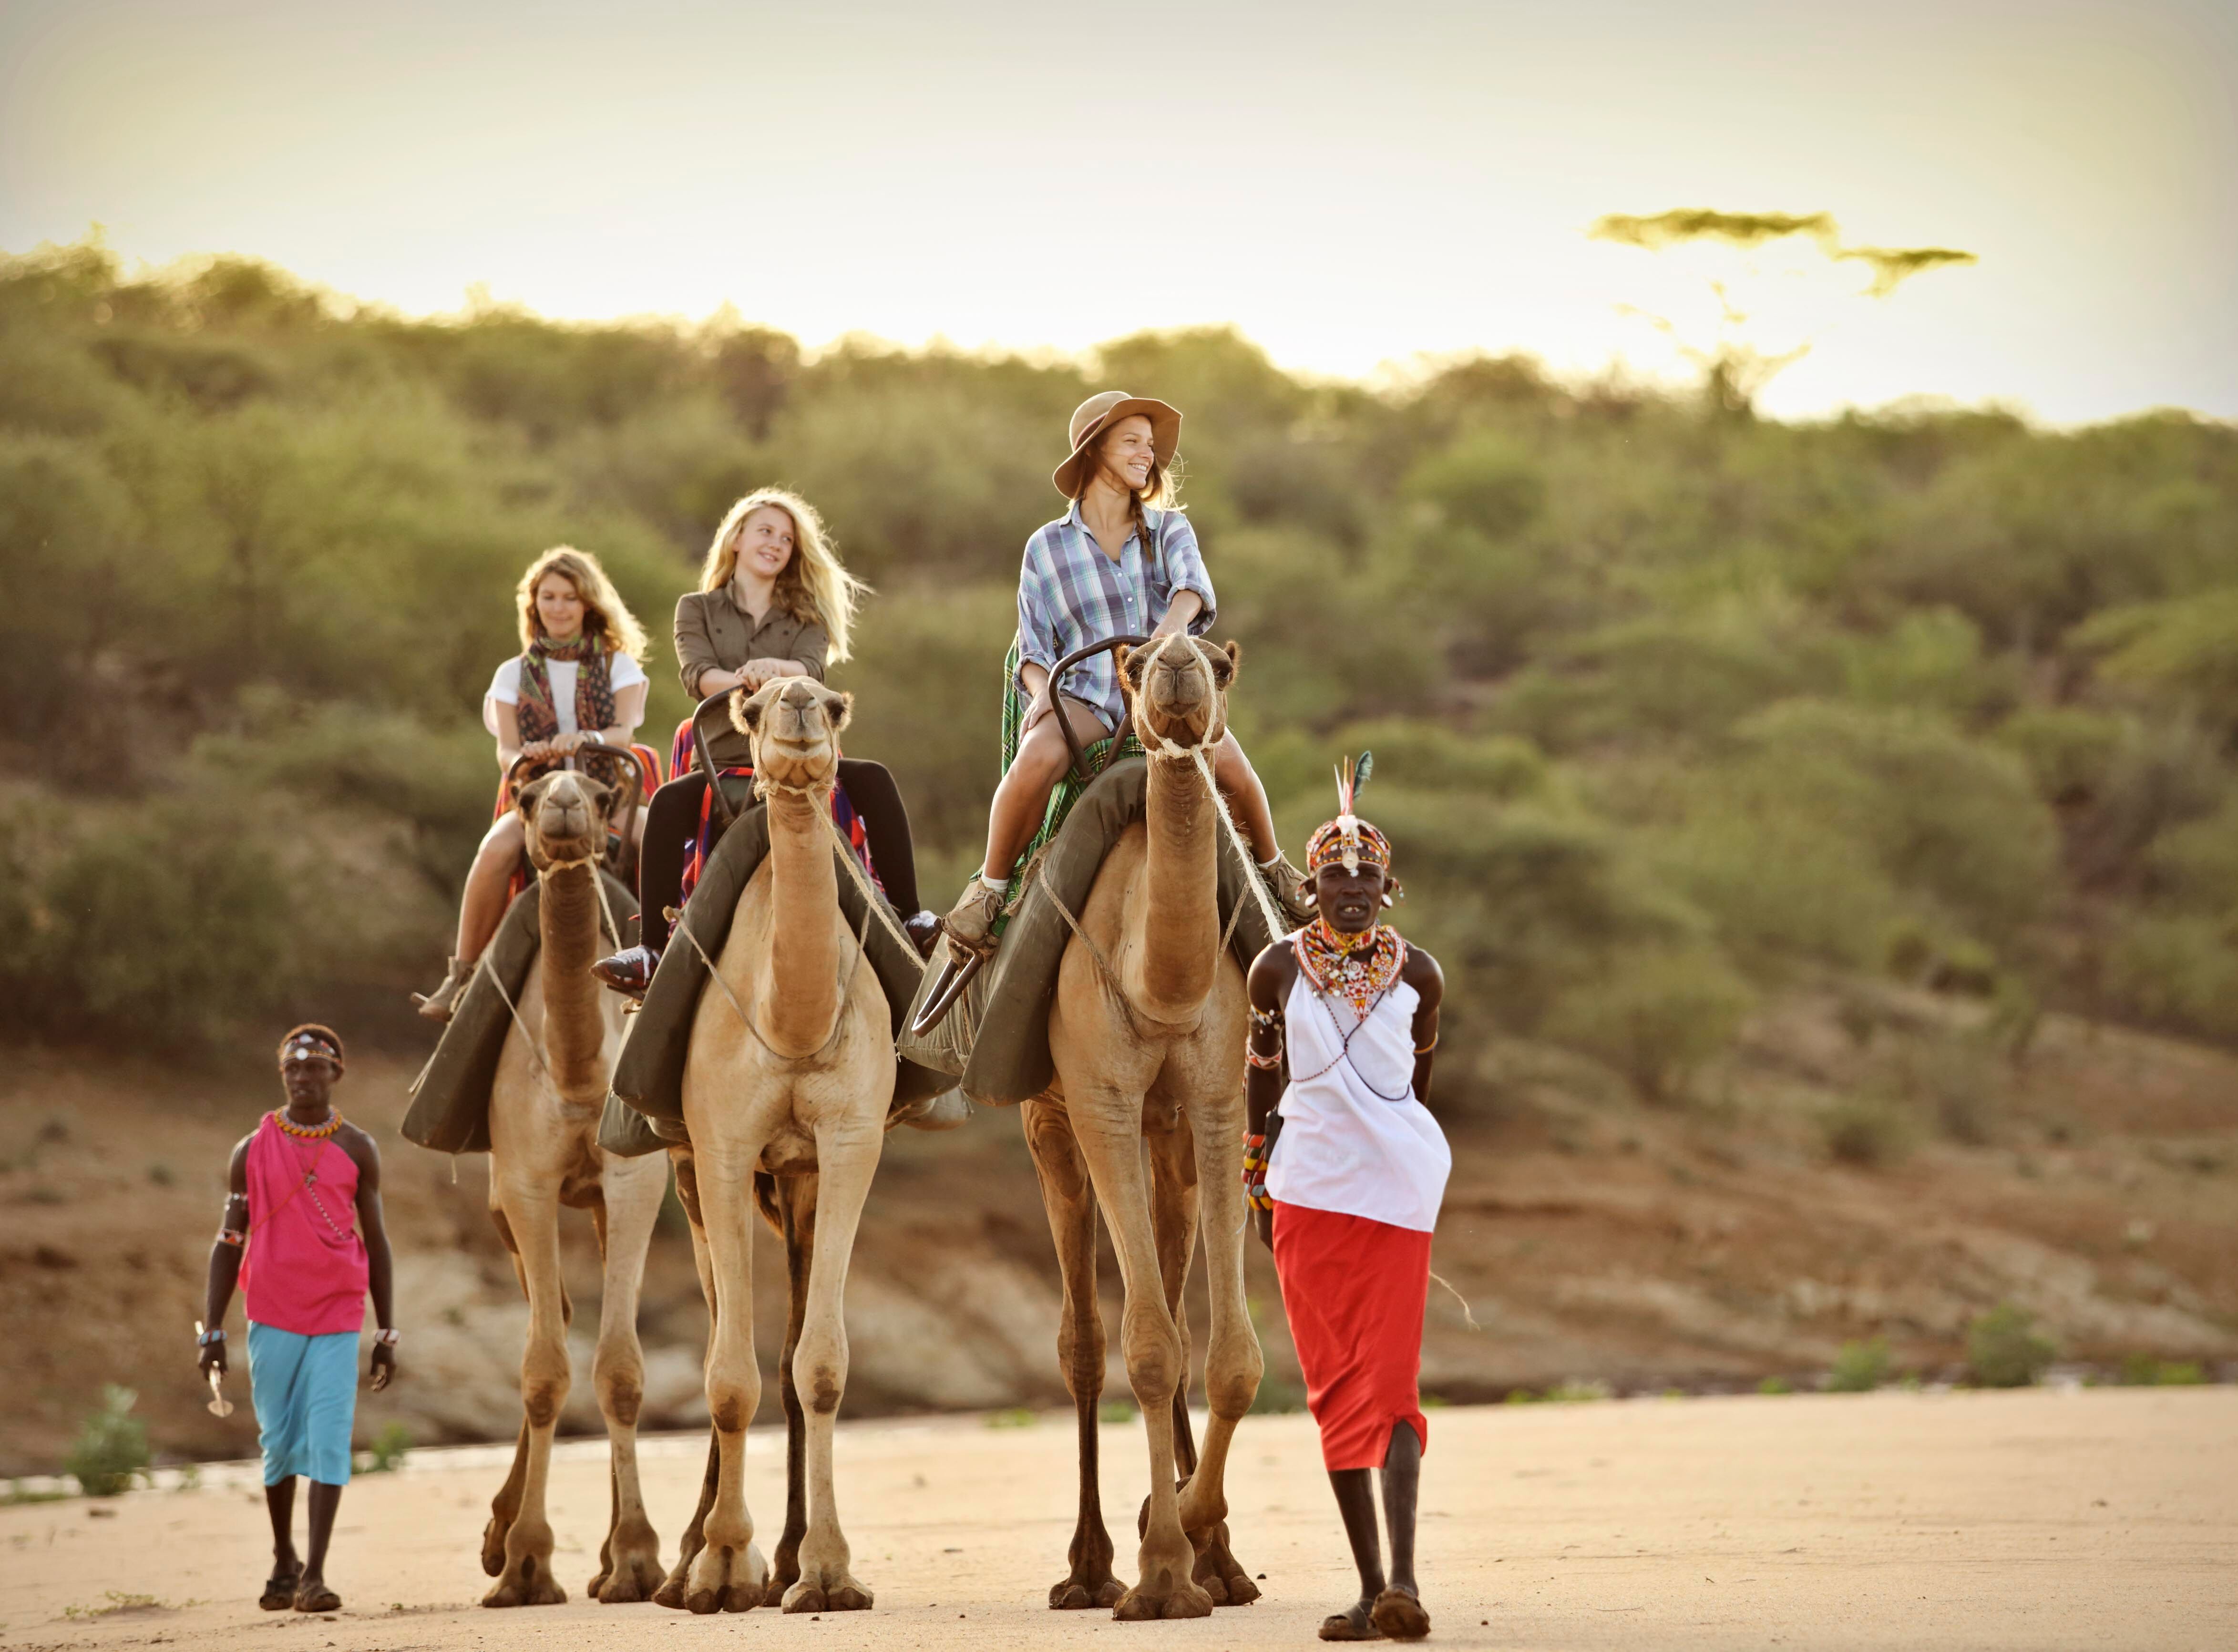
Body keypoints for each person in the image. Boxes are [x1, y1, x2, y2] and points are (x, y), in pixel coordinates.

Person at [937, 390, 1311, 961]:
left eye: (1149, 445)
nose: (1146, 454)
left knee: (1233, 767)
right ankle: (987, 892)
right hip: (1087, 696)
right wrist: (1041, 695)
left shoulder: (1168, 529)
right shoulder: (1045, 547)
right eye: (1131, 442)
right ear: (1094, 451)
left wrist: (1166, 635)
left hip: (1165, 694)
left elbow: (1192, 589)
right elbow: (1033, 648)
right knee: (1035, 759)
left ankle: (1275, 870)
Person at [1242, 759, 1447, 1642]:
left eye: (1366, 877)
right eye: (1335, 876)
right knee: (1333, 1390)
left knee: (1392, 1384)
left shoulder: (1420, 975)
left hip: (1394, 1199)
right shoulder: (1273, 970)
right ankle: (1370, 1594)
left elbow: (1417, 1087)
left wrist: (1397, 1152)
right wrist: (1256, 1181)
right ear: (1310, 887)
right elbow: (1260, 1079)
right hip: (1306, 1197)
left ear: (1386, 888)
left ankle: (1404, 1582)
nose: (1352, 889)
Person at [592, 488, 930, 995]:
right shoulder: (696, 609)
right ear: (736, 538)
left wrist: (777, 671)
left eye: (786, 539)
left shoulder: (808, 616)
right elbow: (697, 675)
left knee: (875, 779)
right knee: (666, 802)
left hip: (800, 759)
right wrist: (746, 680)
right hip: (725, 763)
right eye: (765, 532)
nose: (776, 543)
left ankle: (910, 918)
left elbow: (811, 670)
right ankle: (651, 949)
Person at [199, 1025, 397, 1615]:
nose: (303, 1078)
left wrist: (387, 1332)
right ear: (282, 1074)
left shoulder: (358, 1148)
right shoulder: (250, 1150)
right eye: (294, 1068)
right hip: (272, 1310)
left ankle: (315, 1574)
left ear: (336, 1074)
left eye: (315, 1068)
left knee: (329, 1438)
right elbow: (228, 1241)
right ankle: (284, 1559)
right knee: (279, 1442)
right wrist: (212, 1330)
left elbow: (377, 1242)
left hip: (338, 1310)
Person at [414, 547, 652, 1021]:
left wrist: (584, 739)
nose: (558, 607)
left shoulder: (618, 666)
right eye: (549, 597)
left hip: (606, 793)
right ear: (534, 604)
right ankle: (461, 974)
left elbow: (623, 733)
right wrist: (529, 755)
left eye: (569, 597)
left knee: (653, 834)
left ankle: (663, 954)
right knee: (495, 850)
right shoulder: (513, 673)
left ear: (588, 604)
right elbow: (506, 752)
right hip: (538, 795)